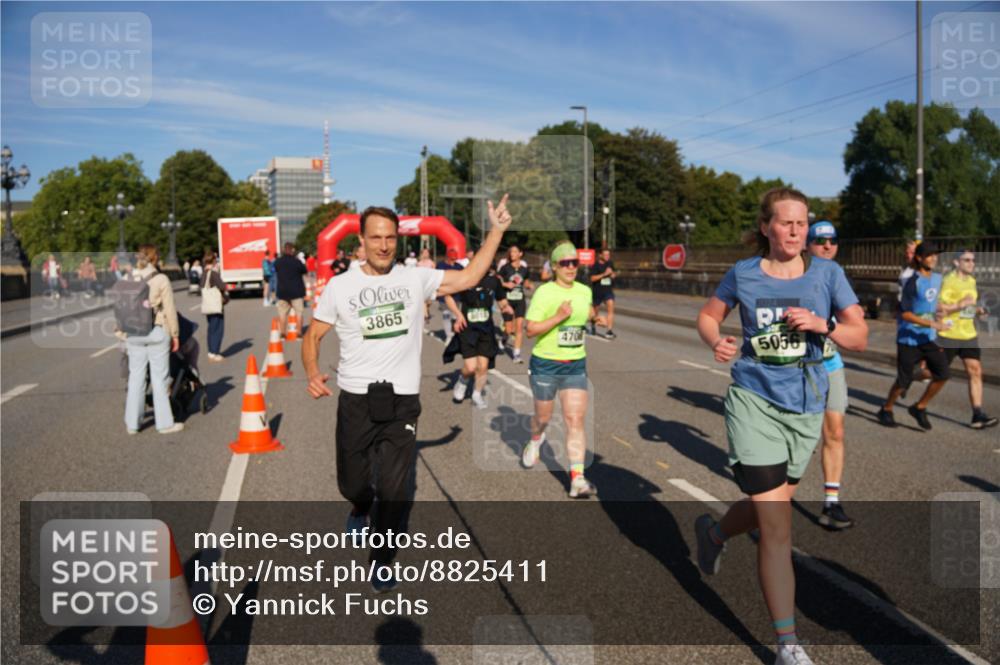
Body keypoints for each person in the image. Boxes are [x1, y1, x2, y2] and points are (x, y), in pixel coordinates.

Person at [693, 188, 867, 665]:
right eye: (786, 223)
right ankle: (788, 642)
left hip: (807, 404)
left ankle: (712, 536)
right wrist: (718, 341)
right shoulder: (743, 274)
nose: (795, 232)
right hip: (753, 400)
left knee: (770, 505)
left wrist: (822, 325)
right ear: (767, 226)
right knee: (777, 526)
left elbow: (860, 336)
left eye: (802, 223)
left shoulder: (828, 274)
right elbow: (709, 315)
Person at [302, 197, 512, 590]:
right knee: (352, 483)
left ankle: (381, 560)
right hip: (355, 400)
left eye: (390, 238)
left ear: (397, 241)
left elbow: (468, 277)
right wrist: (313, 371)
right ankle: (359, 507)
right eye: (375, 238)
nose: (383, 245)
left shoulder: (415, 278)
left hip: (401, 403)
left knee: (396, 491)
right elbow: (313, 336)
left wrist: (497, 231)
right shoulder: (341, 286)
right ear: (361, 242)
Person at [521, 241, 607, 499]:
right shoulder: (544, 293)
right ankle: (536, 439)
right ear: (555, 266)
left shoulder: (583, 291)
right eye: (565, 263)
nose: (571, 267)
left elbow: (586, 311)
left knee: (575, 419)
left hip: (575, 363)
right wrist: (558, 317)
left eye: (574, 263)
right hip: (545, 363)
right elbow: (530, 330)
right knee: (544, 418)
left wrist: (594, 318)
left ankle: (577, 478)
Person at [806, 221, 854, 529]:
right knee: (797, 435)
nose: (827, 246)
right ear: (807, 244)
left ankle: (831, 502)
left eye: (833, 240)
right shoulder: (794, 273)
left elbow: (853, 322)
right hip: (799, 368)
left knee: (835, 432)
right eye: (820, 241)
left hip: (830, 363)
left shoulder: (837, 275)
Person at [877, 241, 950, 430]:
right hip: (908, 339)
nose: (934, 258)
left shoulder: (937, 278)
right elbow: (906, 314)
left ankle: (919, 407)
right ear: (919, 258)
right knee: (904, 380)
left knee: (943, 374)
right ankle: (886, 409)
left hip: (928, 338)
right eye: (930, 255)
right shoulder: (912, 282)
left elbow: (932, 303)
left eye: (936, 255)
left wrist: (944, 312)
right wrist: (933, 323)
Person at [124, 245, 184, 435]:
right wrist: (175, 334)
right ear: (154, 258)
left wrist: (122, 334)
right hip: (156, 331)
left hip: (134, 333)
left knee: (136, 378)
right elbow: (169, 310)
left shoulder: (126, 279)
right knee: (159, 379)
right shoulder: (160, 279)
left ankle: (132, 424)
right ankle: (164, 423)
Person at [937, 250, 998, 429]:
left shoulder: (971, 281)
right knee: (934, 374)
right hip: (948, 334)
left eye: (973, 260)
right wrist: (960, 305)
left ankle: (977, 414)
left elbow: (967, 309)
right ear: (957, 262)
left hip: (968, 334)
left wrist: (978, 312)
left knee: (975, 370)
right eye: (967, 260)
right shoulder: (947, 281)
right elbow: (940, 308)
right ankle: (913, 378)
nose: (972, 263)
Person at [444, 251, 514, 408]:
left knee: (483, 366)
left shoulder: (493, 281)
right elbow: (447, 296)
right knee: (470, 367)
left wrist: (506, 308)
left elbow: (502, 301)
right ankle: (462, 381)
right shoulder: (465, 279)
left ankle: (476, 394)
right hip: (467, 329)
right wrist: (457, 314)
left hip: (486, 330)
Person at [497, 245, 533, 363]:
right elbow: (497, 280)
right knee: (508, 329)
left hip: (520, 301)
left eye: (515, 251)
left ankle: (516, 354)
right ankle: (503, 339)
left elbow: (526, 280)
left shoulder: (524, 269)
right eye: (511, 251)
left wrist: (528, 285)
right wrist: (506, 284)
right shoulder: (505, 268)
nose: (512, 253)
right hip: (507, 301)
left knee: (519, 328)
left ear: (520, 254)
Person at [274, 242, 307, 339]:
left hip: (283, 292)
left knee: (282, 313)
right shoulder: (297, 262)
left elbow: (275, 269)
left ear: (284, 250)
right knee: (299, 313)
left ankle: (283, 333)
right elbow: (304, 270)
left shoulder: (278, 262)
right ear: (292, 250)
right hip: (296, 291)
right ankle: (299, 332)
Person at [200, 252, 229, 362]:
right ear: (213, 261)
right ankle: (215, 352)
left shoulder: (204, 273)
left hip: (208, 305)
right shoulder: (213, 273)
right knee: (218, 329)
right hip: (216, 305)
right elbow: (222, 286)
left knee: (211, 328)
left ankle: (211, 351)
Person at [435, 248, 464, 341]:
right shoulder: (440, 266)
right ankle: (449, 335)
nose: (453, 261)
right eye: (451, 259)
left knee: (455, 316)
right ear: (447, 257)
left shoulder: (459, 266)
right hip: (444, 295)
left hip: (456, 296)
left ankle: (455, 334)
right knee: (446, 314)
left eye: (454, 259)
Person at [590, 248, 617, 339]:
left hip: (608, 291)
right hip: (597, 292)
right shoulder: (595, 265)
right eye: (605, 255)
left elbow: (613, 275)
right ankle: (593, 324)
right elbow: (592, 278)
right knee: (595, 313)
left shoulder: (610, 263)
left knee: (611, 307)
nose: (607, 257)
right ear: (600, 255)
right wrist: (604, 274)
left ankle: (609, 331)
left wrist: (612, 274)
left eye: (608, 255)